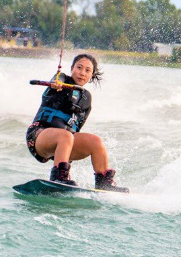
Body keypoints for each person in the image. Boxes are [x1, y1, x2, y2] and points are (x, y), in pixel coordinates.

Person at [25, 54, 119, 188]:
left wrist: (66, 157)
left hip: (65, 141)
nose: (82, 73)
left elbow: (77, 129)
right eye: (79, 68)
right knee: (66, 136)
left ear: (92, 75)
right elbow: (56, 80)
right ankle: (58, 176)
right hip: (39, 136)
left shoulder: (86, 98)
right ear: (72, 68)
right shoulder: (61, 80)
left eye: (87, 70)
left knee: (95, 141)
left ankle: (103, 182)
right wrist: (55, 84)